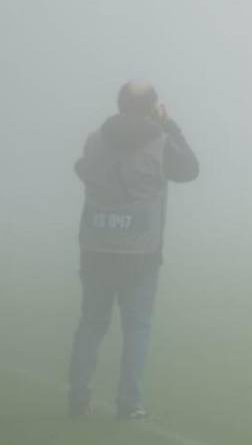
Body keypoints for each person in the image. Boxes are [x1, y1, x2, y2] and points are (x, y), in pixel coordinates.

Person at [68, 80, 199, 420]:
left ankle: (78, 396)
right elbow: (190, 169)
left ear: (119, 103)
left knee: (91, 324)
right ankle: (129, 403)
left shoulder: (95, 139)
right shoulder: (161, 142)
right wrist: (169, 124)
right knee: (136, 328)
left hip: (96, 247)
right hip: (141, 253)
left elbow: (82, 169)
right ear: (153, 107)